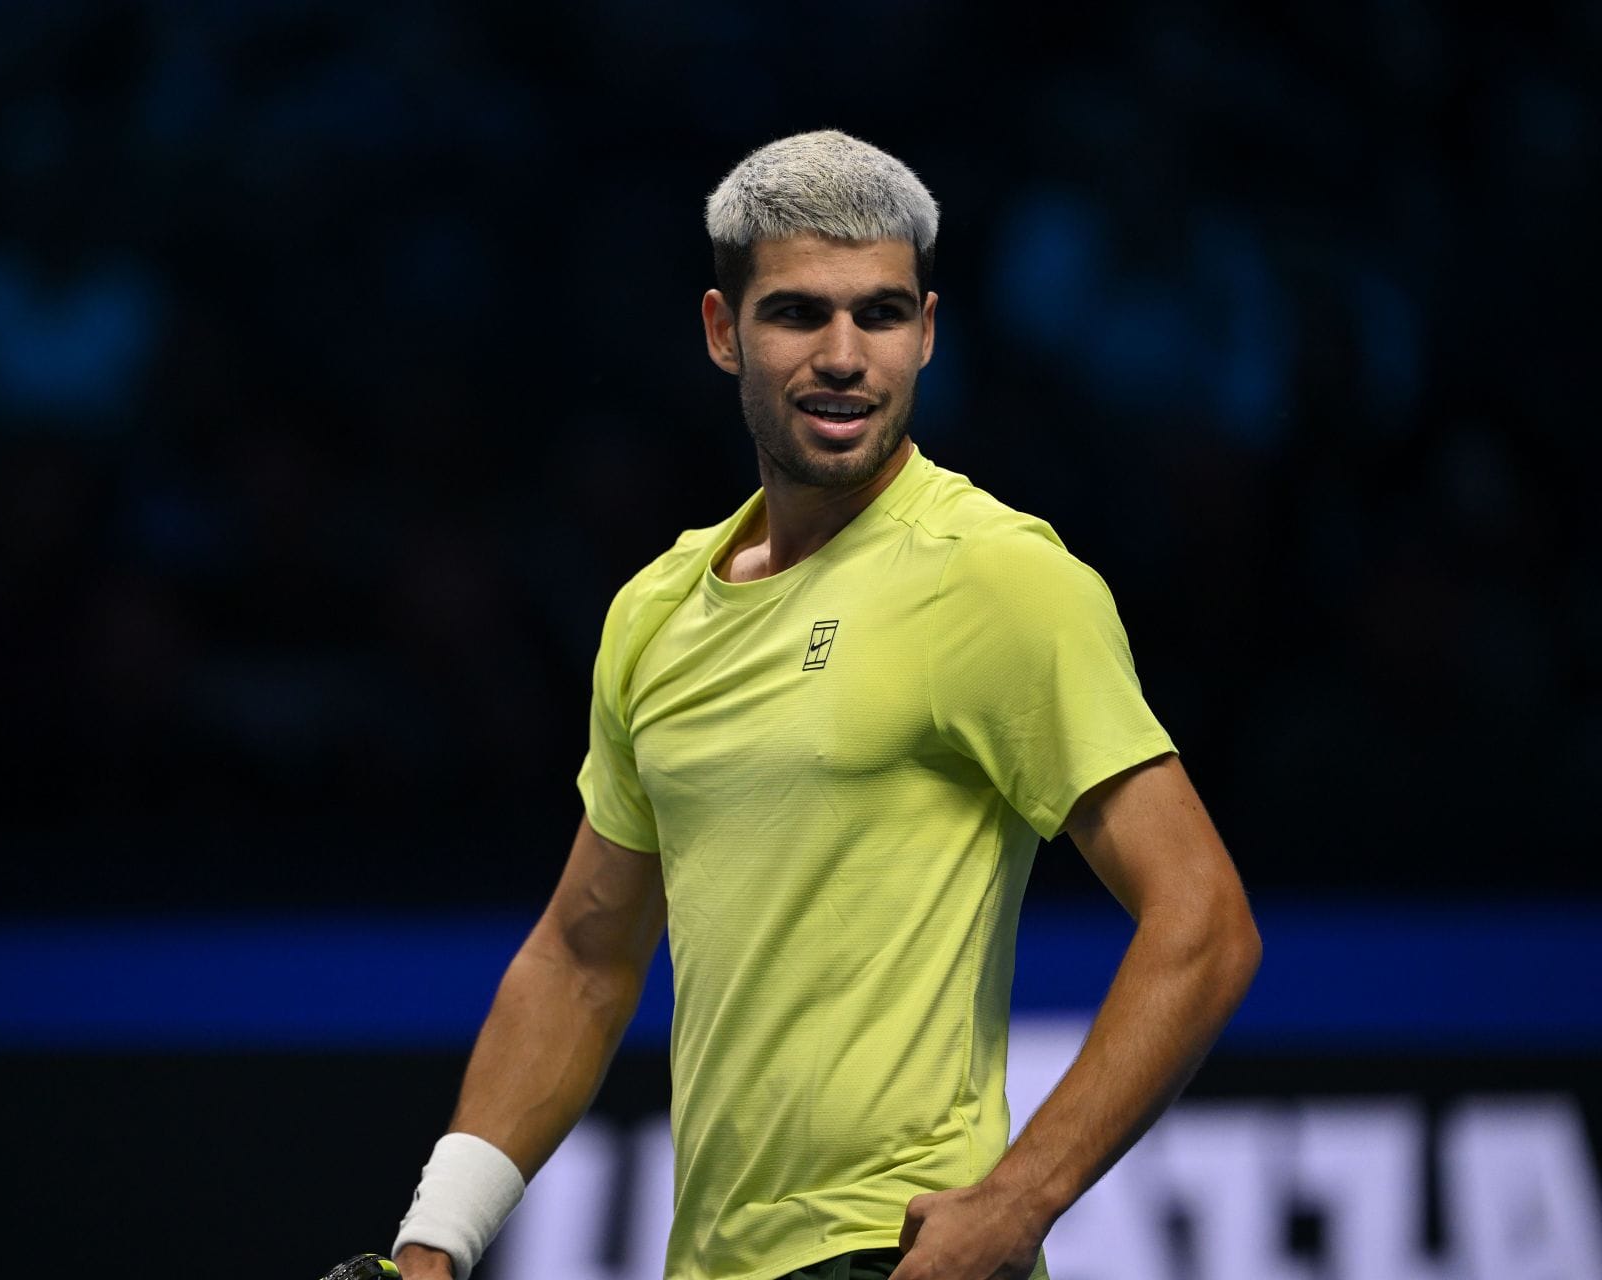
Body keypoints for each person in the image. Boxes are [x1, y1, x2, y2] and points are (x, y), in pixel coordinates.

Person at [385, 130, 1261, 1280]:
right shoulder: (655, 610)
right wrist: (434, 1241)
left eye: (883, 314)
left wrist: (1018, 1199)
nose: (847, 354)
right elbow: (583, 956)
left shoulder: (995, 575)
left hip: (890, 1253)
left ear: (929, 332)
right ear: (721, 330)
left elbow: (1202, 920)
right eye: (799, 313)